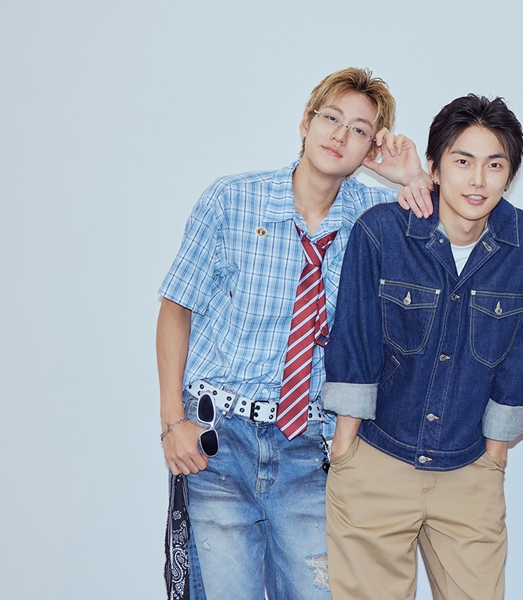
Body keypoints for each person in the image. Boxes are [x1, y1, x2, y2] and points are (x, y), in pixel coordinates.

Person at [156, 67, 432, 599]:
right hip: (218, 441)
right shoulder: (233, 200)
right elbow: (176, 306)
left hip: (309, 447)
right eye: (331, 118)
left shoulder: (374, 221)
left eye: (359, 130)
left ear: (371, 147)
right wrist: (172, 421)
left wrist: (412, 177)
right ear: (306, 122)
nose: (340, 135)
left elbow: (449, 247)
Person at [322, 94, 523, 600]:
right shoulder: (383, 231)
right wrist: (346, 450)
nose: (478, 180)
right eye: (463, 161)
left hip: (469, 468)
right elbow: (355, 341)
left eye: (494, 165)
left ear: (510, 174)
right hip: (377, 459)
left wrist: (495, 455)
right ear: (434, 166)